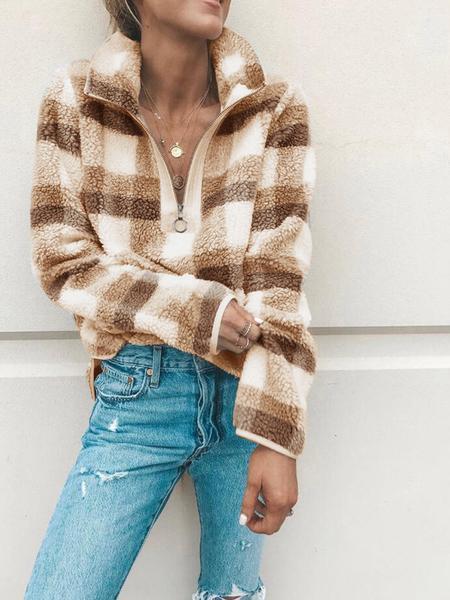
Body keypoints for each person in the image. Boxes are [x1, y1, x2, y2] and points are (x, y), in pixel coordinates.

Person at [25, 0, 317, 598]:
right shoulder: (77, 100)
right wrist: (198, 310)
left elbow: (278, 283)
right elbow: (63, 262)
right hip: (137, 397)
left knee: (232, 595)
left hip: (244, 398)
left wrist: (277, 437)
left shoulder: (273, 109)